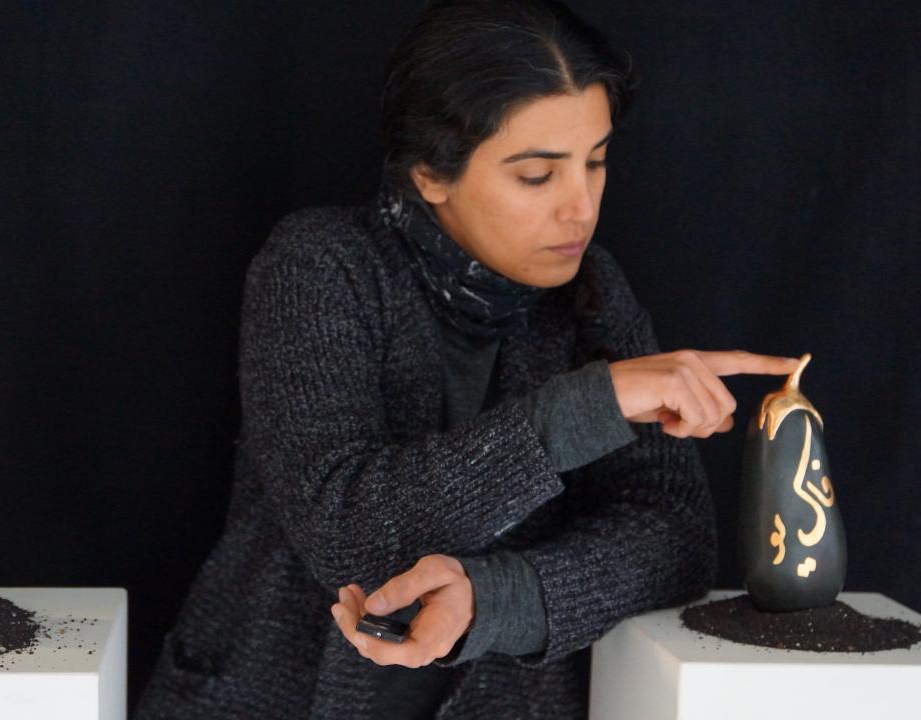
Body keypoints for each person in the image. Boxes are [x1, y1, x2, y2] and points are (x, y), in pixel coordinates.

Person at [134, 1, 800, 717]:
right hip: (276, 698)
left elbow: (675, 541)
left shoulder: (594, 292)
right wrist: (587, 407)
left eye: (597, 161)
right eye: (537, 176)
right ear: (430, 172)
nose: (580, 207)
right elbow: (347, 532)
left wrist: (498, 601)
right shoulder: (320, 266)